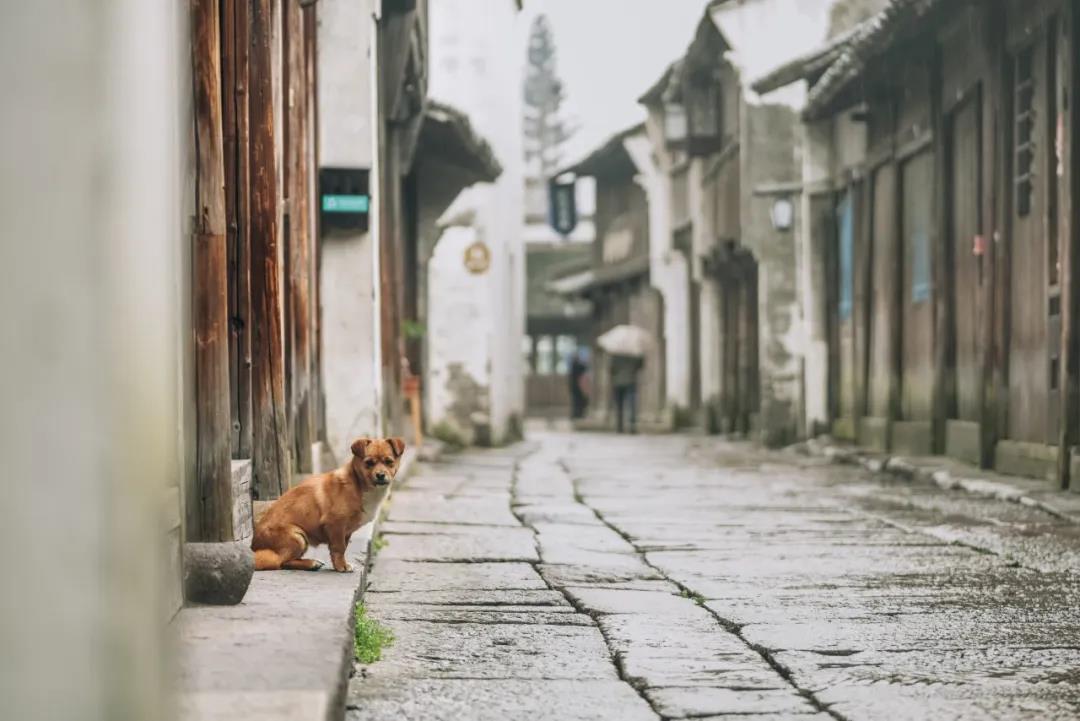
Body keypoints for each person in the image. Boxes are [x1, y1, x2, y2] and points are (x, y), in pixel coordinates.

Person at [610, 354, 642, 434]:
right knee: (631, 405)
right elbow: (639, 366)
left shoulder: (615, 355)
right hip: (630, 381)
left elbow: (611, 369)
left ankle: (619, 427)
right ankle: (632, 426)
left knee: (619, 406)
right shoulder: (633, 354)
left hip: (618, 382)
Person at [569, 348, 589, 420]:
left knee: (578, 401)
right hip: (576, 386)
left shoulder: (574, 365)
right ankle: (577, 414)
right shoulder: (575, 365)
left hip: (576, 386)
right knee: (577, 401)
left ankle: (577, 414)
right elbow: (583, 367)